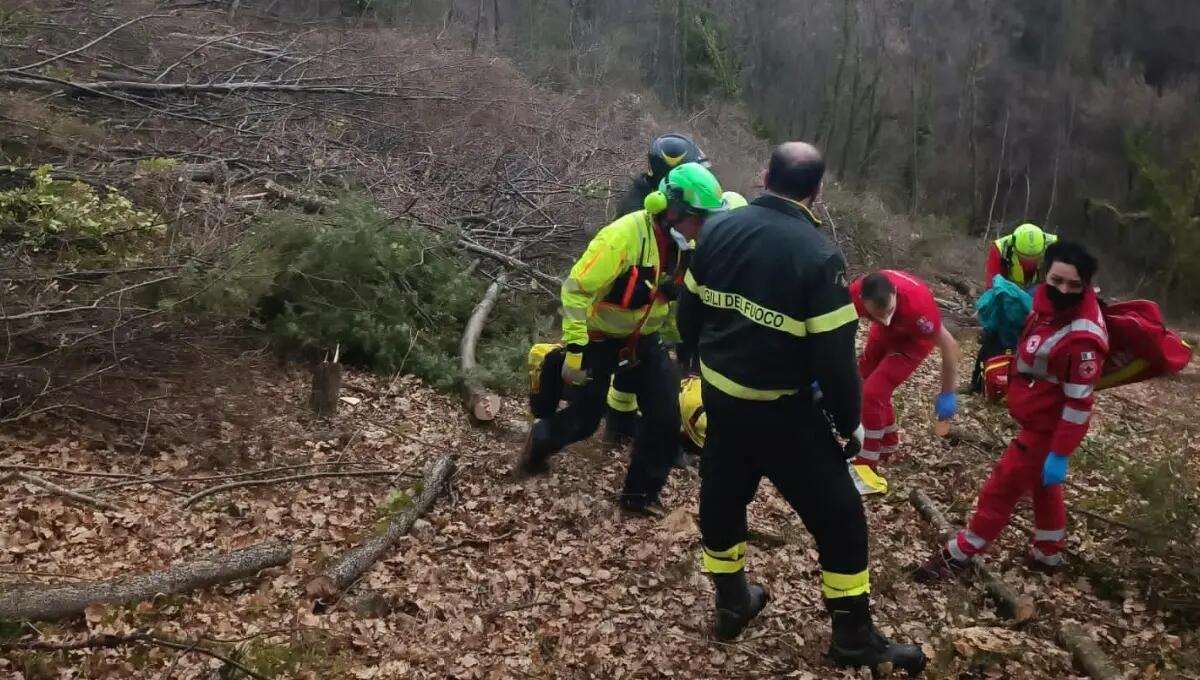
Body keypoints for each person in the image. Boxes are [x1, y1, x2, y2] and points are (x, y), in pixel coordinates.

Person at [676, 142, 926, 675]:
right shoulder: (818, 257)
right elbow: (835, 359)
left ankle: (731, 602)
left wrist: (696, 362)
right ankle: (853, 636)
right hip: (783, 415)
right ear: (817, 192)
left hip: (723, 399)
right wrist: (849, 423)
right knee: (840, 519)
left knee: (721, 499)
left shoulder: (717, 228)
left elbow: (689, 308)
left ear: (765, 176)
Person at [515, 162, 727, 517]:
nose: (702, 229)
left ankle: (639, 495)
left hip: (644, 339)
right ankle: (538, 441)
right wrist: (577, 349)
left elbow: (682, 299)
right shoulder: (623, 237)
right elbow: (575, 290)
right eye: (699, 219)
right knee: (584, 420)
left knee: (664, 415)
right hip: (599, 338)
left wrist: (686, 347)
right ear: (672, 211)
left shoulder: (688, 247)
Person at [915, 241, 1106, 581]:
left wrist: (1060, 453)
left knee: (1000, 489)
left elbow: (1079, 404)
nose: (1062, 289)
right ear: (1045, 275)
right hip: (1034, 419)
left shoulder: (1083, 339)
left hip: (1046, 431)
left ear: (1085, 286)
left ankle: (960, 554)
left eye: (1073, 285)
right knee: (1044, 489)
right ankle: (1048, 552)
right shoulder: (1046, 307)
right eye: (1057, 280)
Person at [604, 189, 749, 445]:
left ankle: (647, 430)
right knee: (644, 384)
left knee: (658, 386)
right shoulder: (692, 244)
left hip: (668, 331)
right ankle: (625, 428)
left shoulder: (726, 250)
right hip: (655, 330)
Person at [847, 270, 960, 495]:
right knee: (862, 384)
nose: (883, 318)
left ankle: (865, 466)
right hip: (883, 335)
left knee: (873, 394)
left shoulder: (919, 309)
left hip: (912, 344)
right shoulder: (854, 297)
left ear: (895, 294)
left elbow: (950, 346)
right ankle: (888, 445)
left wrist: (948, 393)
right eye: (875, 315)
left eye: (888, 311)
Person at [972, 223, 1058, 392]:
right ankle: (978, 383)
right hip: (1008, 296)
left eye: (1034, 258)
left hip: (1039, 297)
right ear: (1014, 247)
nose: (1030, 262)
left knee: (1038, 342)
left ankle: (1032, 386)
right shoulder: (1000, 248)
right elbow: (993, 285)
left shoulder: (1054, 248)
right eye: (1024, 257)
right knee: (994, 333)